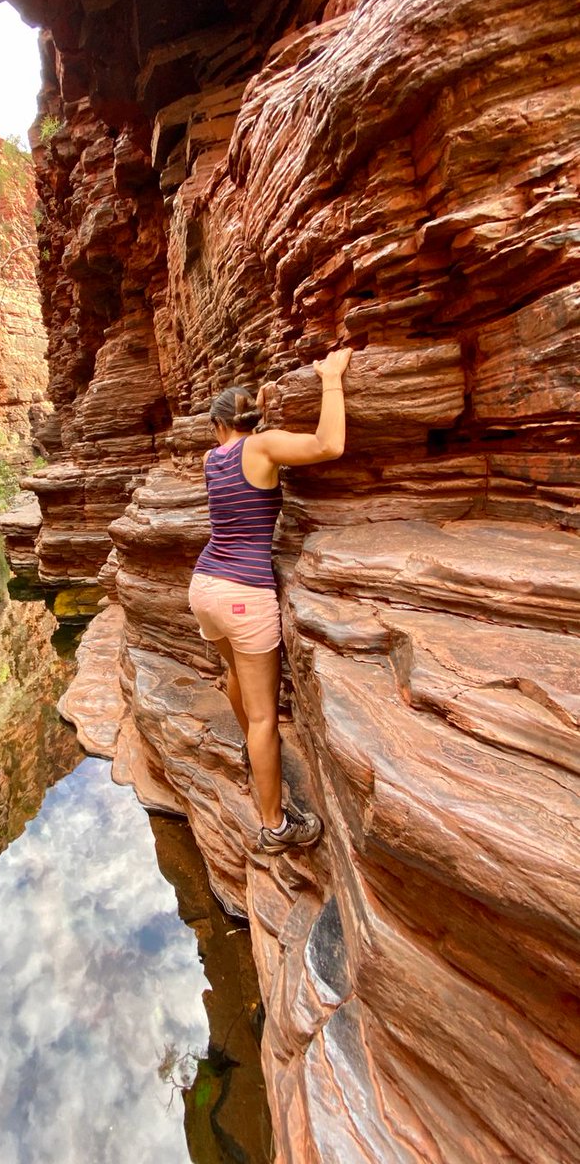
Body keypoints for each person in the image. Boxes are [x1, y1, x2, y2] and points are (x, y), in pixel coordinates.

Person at [188, 347, 352, 854]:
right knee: (265, 719)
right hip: (245, 595)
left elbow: (243, 439)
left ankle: (251, 752)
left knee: (236, 673)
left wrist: (258, 409)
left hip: (205, 587)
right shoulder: (262, 448)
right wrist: (329, 378)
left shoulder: (213, 457)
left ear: (218, 425)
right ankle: (275, 827)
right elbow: (330, 446)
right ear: (254, 422)